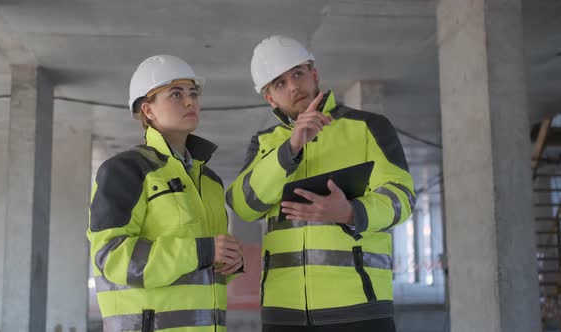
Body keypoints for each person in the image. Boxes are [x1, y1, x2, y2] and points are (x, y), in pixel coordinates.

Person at [226, 35, 415, 332]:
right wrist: (289, 151)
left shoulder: (368, 127)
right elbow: (244, 206)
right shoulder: (264, 144)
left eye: (298, 74)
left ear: (314, 74)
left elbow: (401, 198)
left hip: (359, 308)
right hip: (283, 312)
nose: (293, 86)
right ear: (270, 98)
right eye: (279, 83)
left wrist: (351, 212)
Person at [87, 54, 242, 332]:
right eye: (175, 94)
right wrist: (204, 250)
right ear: (148, 110)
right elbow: (112, 256)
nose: (190, 101)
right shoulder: (124, 170)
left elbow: (206, 270)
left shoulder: (210, 181)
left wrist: (230, 261)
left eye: (193, 93)